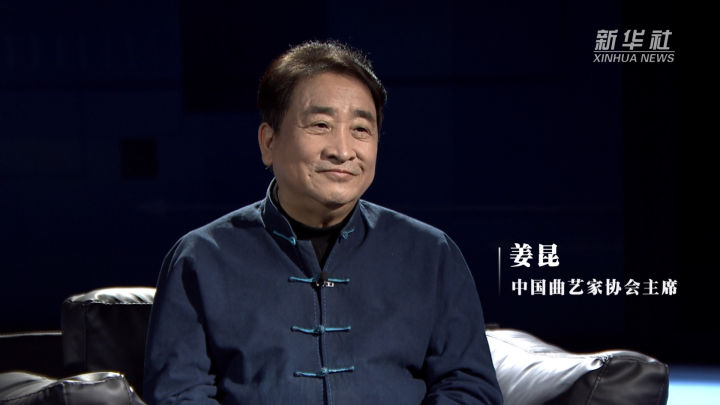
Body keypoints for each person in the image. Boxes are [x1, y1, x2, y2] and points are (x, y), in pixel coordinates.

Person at [144, 40, 503, 405]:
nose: (343, 151)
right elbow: (179, 395)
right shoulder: (201, 259)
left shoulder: (431, 254)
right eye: (321, 124)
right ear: (269, 142)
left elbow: (468, 387)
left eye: (361, 129)